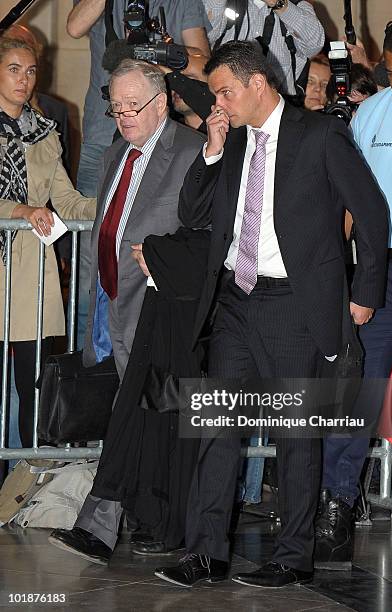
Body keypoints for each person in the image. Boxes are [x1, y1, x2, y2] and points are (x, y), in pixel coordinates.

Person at [154, 40, 388, 589]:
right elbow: (192, 212)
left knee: (294, 434)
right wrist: (211, 151)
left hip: (293, 305)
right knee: (217, 426)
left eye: (225, 93)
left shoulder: (320, 135)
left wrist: (367, 291)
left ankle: (291, 556)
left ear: (257, 84)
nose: (219, 104)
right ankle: (206, 552)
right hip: (235, 301)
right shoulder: (231, 140)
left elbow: (371, 209)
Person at [48, 59, 206, 564]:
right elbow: (104, 228)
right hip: (114, 305)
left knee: (131, 418)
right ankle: (153, 520)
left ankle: (99, 522)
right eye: (114, 105)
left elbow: (199, 229)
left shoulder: (190, 150)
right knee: (149, 417)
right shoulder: (117, 153)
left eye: (132, 104)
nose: (121, 114)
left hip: (162, 310)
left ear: (162, 102)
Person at [315, 16, 392, 571]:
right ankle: (337, 509)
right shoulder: (371, 112)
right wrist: (338, 270)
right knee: (354, 395)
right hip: (379, 276)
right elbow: (346, 196)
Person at [66, 0, 211, 348]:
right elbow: (73, 26)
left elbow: (204, 62)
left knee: (147, 251)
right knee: (92, 264)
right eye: (121, 103)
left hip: (161, 139)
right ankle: (94, 358)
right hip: (102, 144)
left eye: (128, 103)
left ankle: (142, 352)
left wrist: (162, 56)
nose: (124, 110)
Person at [0, 38, 95, 449]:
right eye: (14, 69)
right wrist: (21, 210)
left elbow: (69, 202)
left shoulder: (45, 132)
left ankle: (23, 491)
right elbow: (26, 208)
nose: (24, 79)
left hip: (30, 277)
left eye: (31, 70)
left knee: (32, 391)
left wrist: (119, 200)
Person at [203, 0, 325, 95]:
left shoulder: (296, 4)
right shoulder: (222, 3)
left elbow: (314, 46)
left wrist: (278, 4)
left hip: (278, 110)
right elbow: (203, 37)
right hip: (225, 106)